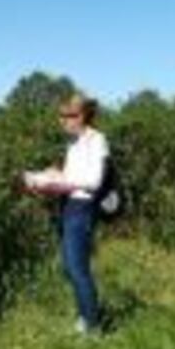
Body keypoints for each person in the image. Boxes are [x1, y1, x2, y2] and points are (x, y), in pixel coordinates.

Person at [23, 93, 109, 334]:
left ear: (83, 115)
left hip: (83, 208)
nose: (64, 120)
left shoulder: (97, 140)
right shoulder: (72, 142)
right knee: (69, 267)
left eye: (70, 115)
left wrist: (61, 181)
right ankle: (86, 316)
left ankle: (92, 326)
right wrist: (50, 177)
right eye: (61, 116)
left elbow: (93, 181)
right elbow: (72, 177)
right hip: (68, 206)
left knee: (77, 268)